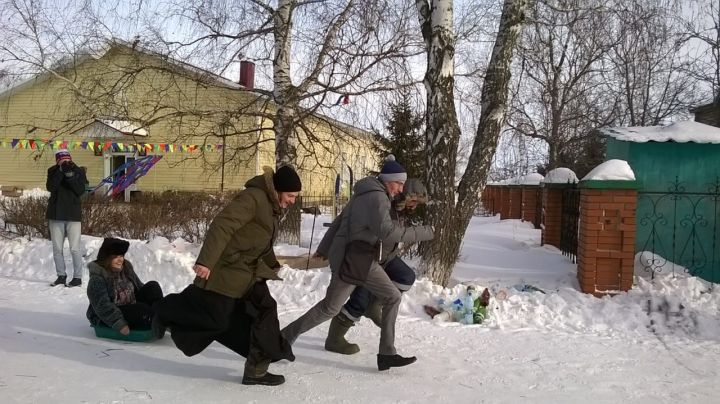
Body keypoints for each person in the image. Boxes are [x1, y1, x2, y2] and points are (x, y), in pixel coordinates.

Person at [281, 156, 434, 371]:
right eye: (399, 183)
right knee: (330, 308)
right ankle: (283, 339)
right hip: (351, 258)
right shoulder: (377, 197)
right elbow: (388, 232)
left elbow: (340, 221)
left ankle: (387, 354)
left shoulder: (367, 193)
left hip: (362, 257)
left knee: (393, 296)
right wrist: (425, 232)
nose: (401, 188)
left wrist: (324, 248)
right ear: (388, 180)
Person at [152, 166, 301, 386]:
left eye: (295, 197)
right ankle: (165, 311)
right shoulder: (253, 198)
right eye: (290, 195)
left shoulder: (271, 206)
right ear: (277, 190)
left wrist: (272, 264)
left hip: (247, 272)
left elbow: (258, 240)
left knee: (264, 311)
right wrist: (206, 261)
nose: (292, 201)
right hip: (227, 270)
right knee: (217, 319)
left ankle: (257, 369)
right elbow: (222, 226)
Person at [322, 178, 429, 355]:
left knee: (406, 277)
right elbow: (344, 222)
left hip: (387, 257)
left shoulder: (401, 209)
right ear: (405, 195)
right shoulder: (384, 202)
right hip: (368, 258)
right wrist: (324, 248)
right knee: (359, 300)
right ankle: (334, 339)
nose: (415, 205)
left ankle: (375, 305)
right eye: (414, 201)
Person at [86, 237, 164, 334]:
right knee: (142, 310)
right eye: (116, 256)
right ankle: (156, 319)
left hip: (130, 305)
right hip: (108, 315)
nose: (120, 260)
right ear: (107, 257)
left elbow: (139, 287)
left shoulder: (126, 268)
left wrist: (152, 300)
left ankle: (163, 316)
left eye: (122, 256)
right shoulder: (97, 279)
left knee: (153, 286)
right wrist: (119, 323)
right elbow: (102, 306)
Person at [46, 149, 88, 287]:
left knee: (75, 248)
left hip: (73, 214)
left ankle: (77, 278)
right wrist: (60, 171)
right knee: (57, 248)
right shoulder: (52, 170)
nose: (65, 162)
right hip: (56, 214)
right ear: (57, 160)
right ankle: (61, 276)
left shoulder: (79, 171)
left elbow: (80, 190)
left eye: (67, 160)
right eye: (62, 160)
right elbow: (51, 187)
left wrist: (70, 175)